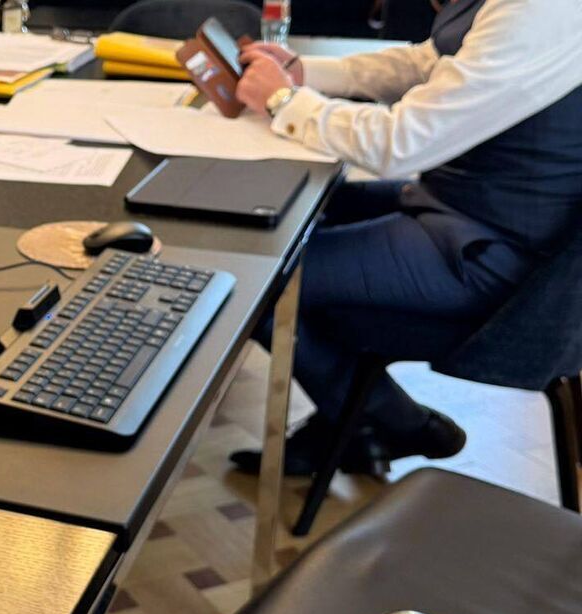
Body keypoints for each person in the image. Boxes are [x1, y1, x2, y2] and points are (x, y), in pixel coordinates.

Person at [228, 0, 582, 475]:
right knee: (278, 218)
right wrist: (305, 72)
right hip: (459, 208)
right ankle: (366, 419)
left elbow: (401, 143)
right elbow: (431, 61)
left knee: (256, 281)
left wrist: (284, 102)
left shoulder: (545, 9)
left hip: (499, 256)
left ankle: (389, 422)